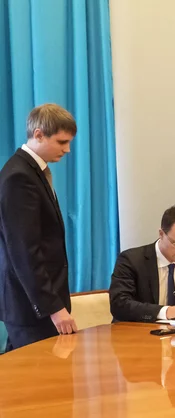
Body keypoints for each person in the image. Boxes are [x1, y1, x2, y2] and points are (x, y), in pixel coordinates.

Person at [0, 104, 78, 351]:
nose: (67, 150)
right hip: (31, 308)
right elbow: (25, 252)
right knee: (40, 385)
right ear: (39, 134)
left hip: (35, 305)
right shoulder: (19, 177)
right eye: (61, 142)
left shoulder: (33, 171)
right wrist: (53, 308)